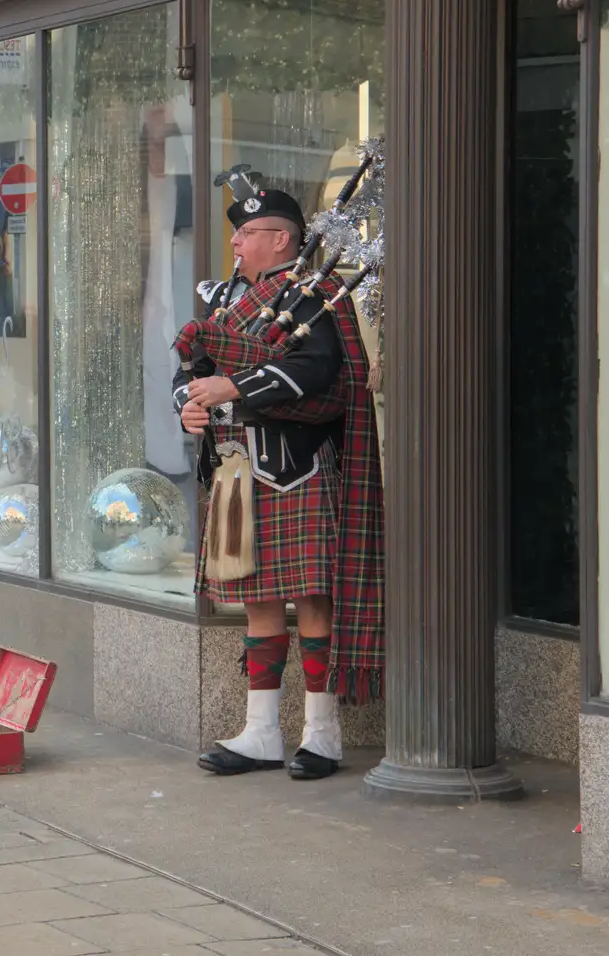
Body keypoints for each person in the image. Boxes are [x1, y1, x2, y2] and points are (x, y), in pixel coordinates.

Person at [179, 186, 383, 782]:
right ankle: (262, 732)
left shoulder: (316, 295)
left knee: (314, 602)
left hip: (299, 469)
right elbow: (194, 373)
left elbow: (318, 370)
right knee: (258, 602)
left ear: (282, 240)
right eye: (236, 234)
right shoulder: (227, 305)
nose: (236, 244)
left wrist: (234, 388)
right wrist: (189, 406)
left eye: (246, 234)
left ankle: (322, 734)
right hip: (238, 470)